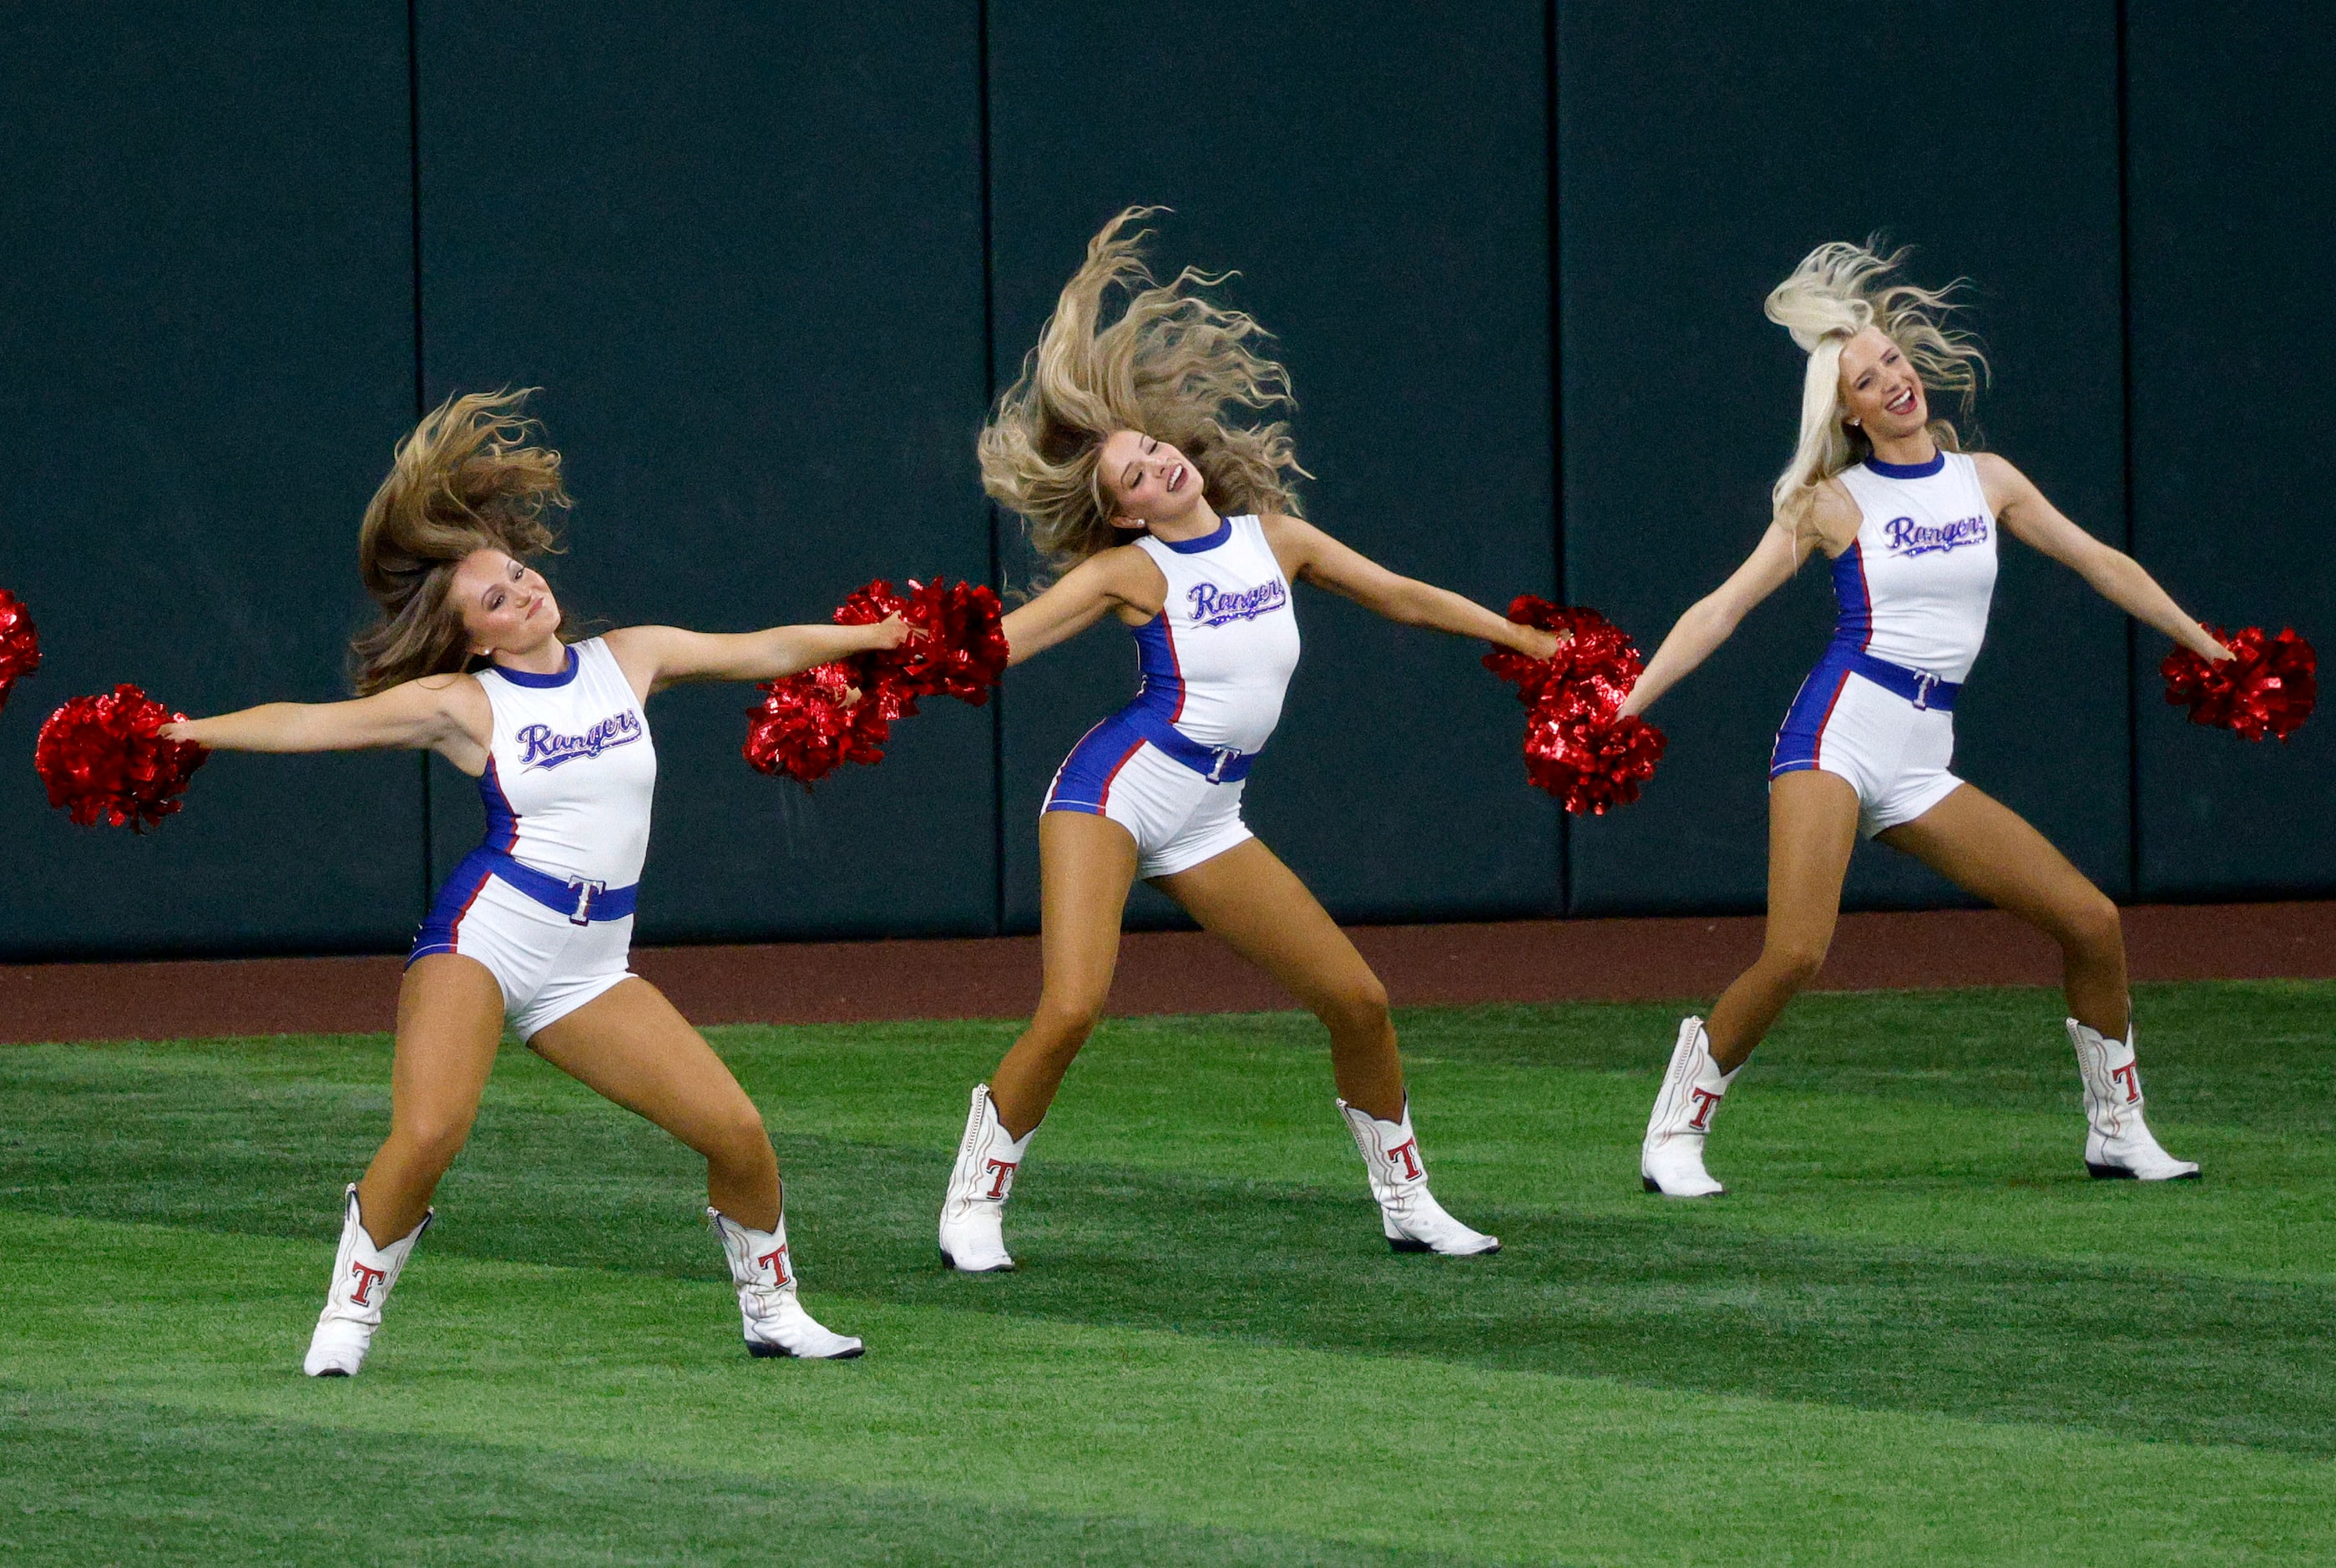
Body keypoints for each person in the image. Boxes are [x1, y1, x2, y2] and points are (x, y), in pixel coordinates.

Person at [163, 391, 902, 1370]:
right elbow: (309, 723)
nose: (523, 592)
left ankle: (772, 1311)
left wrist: (872, 641)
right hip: (488, 937)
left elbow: (761, 650)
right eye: (497, 600)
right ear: (474, 636)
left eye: (518, 574)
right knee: (431, 1132)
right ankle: (349, 1315)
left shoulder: (626, 660)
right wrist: (189, 734)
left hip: (594, 964)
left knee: (737, 1131)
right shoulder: (463, 702)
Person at [935, 208, 1558, 1272]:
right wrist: (897, 659)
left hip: (1211, 813)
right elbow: (1002, 645)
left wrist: (1522, 639)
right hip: (1116, 790)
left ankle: (1406, 1199)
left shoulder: (1278, 539)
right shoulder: (1129, 572)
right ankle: (976, 1201)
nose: (1156, 469)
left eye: (1154, 452)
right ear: (1125, 515)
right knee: (1077, 1001)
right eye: (1132, 477)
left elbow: (1402, 596)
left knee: (1357, 998)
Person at [1615, 242, 2225, 1196]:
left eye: (1893, 361)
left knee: (2091, 921)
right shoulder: (1832, 502)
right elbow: (1721, 609)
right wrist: (1628, 702)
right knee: (1799, 951)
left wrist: (2202, 641)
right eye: (1868, 379)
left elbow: (2099, 560)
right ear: (1847, 410)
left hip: (1923, 753)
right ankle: (1677, 1131)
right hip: (1839, 730)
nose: (1893, 380)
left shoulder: (1987, 478)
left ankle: (2118, 1129)